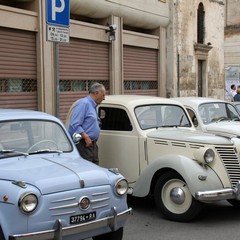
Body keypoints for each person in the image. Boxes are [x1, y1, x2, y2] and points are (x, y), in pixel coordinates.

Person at [68, 83, 106, 165]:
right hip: (83, 143)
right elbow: (74, 123)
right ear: (96, 93)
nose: (104, 98)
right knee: (87, 168)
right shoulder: (84, 104)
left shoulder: (92, 105)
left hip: (91, 144)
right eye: (103, 95)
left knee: (95, 166)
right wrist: (86, 137)